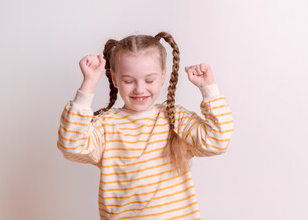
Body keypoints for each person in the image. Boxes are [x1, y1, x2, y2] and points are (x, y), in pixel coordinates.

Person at [57, 31, 234, 219]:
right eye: (128, 81)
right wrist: (88, 85)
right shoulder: (106, 126)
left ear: (163, 76)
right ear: (115, 79)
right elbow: (71, 145)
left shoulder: (175, 118)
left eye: (149, 80)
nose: (139, 88)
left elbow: (218, 140)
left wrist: (209, 89)